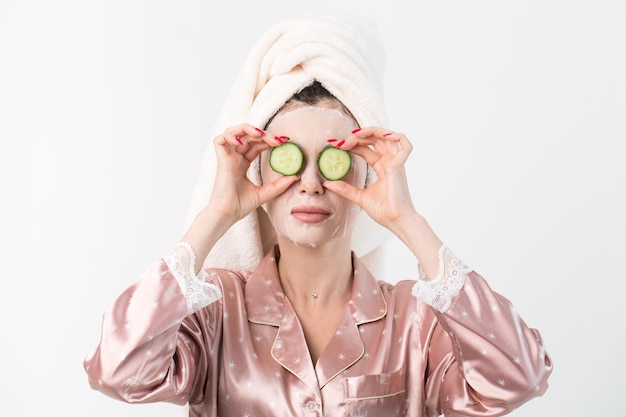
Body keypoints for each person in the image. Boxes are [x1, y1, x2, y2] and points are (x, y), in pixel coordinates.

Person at [84, 15, 552, 417]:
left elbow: (519, 378)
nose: (309, 183)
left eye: (333, 161)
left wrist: (407, 220)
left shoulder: (415, 318)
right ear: (258, 174)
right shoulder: (215, 310)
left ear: (365, 175)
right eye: (289, 159)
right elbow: (116, 369)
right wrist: (217, 211)